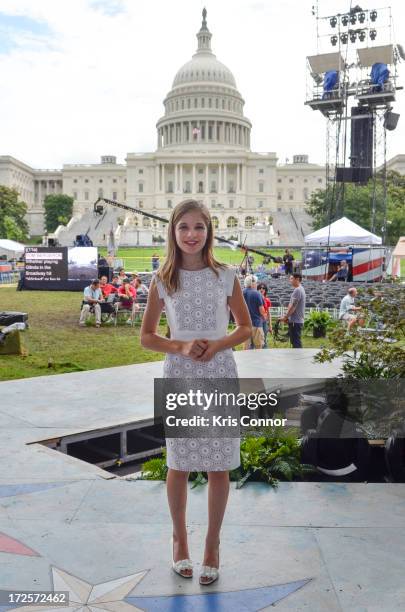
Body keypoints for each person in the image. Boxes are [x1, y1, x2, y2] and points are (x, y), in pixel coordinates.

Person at [140, 199, 251, 585]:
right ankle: (179, 540)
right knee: (180, 463)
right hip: (180, 373)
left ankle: (212, 545)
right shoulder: (162, 279)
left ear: (209, 231)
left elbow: (245, 328)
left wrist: (216, 345)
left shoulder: (226, 275)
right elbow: (147, 337)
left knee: (219, 464)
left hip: (219, 370)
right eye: (184, 227)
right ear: (173, 231)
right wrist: (181, 347)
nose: (191, 235)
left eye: (199, 227)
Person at [281, 273, 306, 348]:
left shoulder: (298, 290)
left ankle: (298, 358)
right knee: (294, 341)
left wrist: (285, 317)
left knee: (296, 342)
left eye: (292, 279)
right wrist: (288, 317)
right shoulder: (300, 289)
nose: (290, 280)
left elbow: (293, 306)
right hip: (296, 320)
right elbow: (291, 305)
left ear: (297, 279)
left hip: (296, 321)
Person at [242, 275, 266, 349]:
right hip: (256, 324)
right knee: (258, 347)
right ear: (252, 283)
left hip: (244, 324)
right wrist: (265, 317)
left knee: (246, 347)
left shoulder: (241, 292)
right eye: (256, 282)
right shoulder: (257, 293)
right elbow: (261, 310)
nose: (256, 284)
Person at [257, 282, 272, 348]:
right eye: (260, 288)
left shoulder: (267, 300)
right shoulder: (255, 298)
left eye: (263, 288)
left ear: (265, 290)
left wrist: (270, 325)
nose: (261, 289)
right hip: (257, 321)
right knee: (257, 339)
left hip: (264, 321)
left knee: (264, 339)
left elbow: (268, 313)